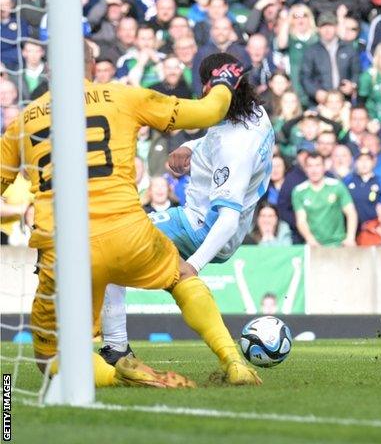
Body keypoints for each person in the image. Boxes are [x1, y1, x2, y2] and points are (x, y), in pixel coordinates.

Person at [1, 44, 259, 387]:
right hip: (128, 231)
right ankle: (234, 361)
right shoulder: (123, 97)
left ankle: (118, 375)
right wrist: (225, 82)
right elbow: (209, 112)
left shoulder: (22, 122)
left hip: (63, 248)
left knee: (49, 356)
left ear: (48, 73)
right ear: (93, 66)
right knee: (181, 276)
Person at [101, 51, 277, 362]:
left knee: (110, 246)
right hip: (204, 219)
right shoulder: (255, 115)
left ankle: (115, 347)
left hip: (199, 226)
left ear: (211, 89)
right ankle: (230, 358)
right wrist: (190, 147)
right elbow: (221, 142)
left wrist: (194, 264)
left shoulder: (234, 147)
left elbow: (227, 218)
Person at [292, 152, 358, 248]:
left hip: (338, 243)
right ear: (305, 169)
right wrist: (310, 239)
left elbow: (351, 212)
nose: (314, 170)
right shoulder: (299, 191)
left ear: (324, 167)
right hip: (314, 245)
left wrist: (350, 237)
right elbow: (301, 220)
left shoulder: (337, 186)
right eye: (310, 166)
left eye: (318, 165)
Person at [300, 12, 359, 107]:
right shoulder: (311, 51)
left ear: (336, 27)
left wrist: (352, 85)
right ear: (318, 29)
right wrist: (316, 92)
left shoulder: (349, 49)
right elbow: (305, 77)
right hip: (320, 102)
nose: (327, 30)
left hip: (344, 100)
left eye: (330, 25)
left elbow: (357, 72)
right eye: (323, 26)